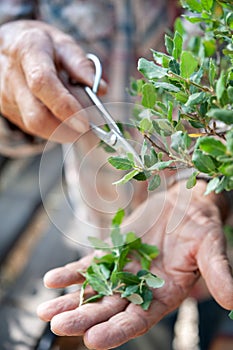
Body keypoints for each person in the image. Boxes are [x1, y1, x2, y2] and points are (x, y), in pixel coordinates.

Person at [0, 1, 232, 349]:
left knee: (218, 303)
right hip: (111, 232)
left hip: (220, 231)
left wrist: (208, 188)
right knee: (137, 333)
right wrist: (13, 85)